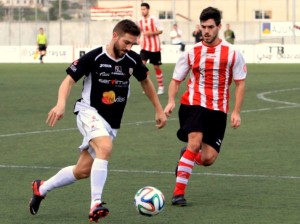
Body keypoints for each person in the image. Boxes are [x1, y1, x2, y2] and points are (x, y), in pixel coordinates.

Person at [28, 19, 167, 222]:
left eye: (132, 44)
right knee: (106, 147)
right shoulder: (95, 57)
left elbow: (145, 81)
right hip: (88, 112)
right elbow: (68, 81)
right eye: (126, 42)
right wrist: (60, 103)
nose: (129, 48)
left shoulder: (132, 60)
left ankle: (41, 188)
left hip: (111, 123)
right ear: (115, 36)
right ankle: (95, 203)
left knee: (82, 170)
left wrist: (159, 109)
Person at [164, 6, 247, 206]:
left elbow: (240, 82)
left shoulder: (232, 52)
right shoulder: (191, 52)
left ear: (219, 26)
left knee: (208, 158)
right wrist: (171, 101)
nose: (206, 31)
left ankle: (186, 157)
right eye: (203, 27)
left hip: (218, 109)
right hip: (194, 103)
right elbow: (176, 80)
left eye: (210, 27)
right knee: (195, 141)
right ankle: (178, 194)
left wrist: (236, 111)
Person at [138, 2, 165, 95]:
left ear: (148, 10)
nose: (142, 11)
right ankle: (147, 86)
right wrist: (138, 39)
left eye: (144, 9)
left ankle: (161, 87)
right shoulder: (140, 20)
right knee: (142, 66)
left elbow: (161, 30)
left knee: (156, 67)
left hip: (155, 47)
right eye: (141, 9)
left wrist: (151, 33)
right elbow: (139, 32)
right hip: (144, 47)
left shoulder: (154, 19)